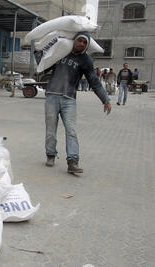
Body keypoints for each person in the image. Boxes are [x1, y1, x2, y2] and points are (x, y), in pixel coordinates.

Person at [43, 31, 111, 174]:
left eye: (85, 42)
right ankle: (50, 154)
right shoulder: (61, 51)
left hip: (69, 100)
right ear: (74, 40)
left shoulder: (86, 60)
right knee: (50, 130)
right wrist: (41, 50)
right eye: (80, 40)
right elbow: (43, 65)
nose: (81, 44)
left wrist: (105, 99)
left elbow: (94, 81)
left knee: (71, 131)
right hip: (52, 97)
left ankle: (72, 161)